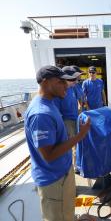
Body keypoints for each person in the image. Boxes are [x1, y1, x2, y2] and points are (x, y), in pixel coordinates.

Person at [24, 65, 90, 221]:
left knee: (66, 212)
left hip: (62, 173)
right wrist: (80, 135)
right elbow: (49, 155)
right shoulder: (41, 114)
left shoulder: (49, 103)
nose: (66, 85)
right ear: (46, 83)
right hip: (53, 180)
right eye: (61, 81)